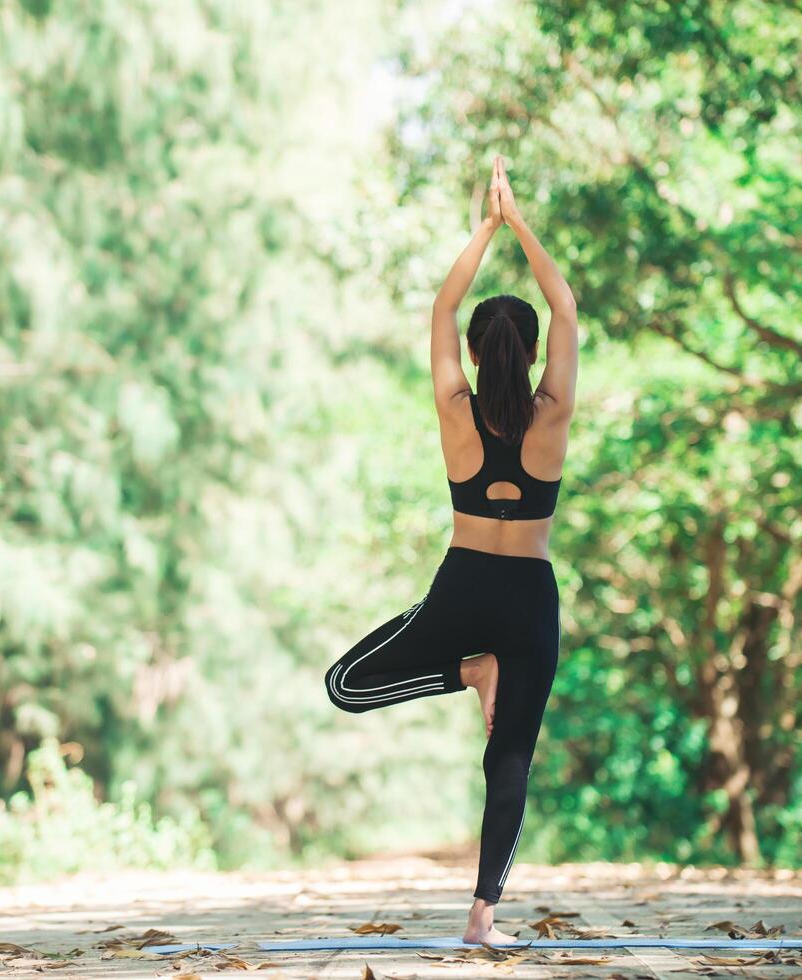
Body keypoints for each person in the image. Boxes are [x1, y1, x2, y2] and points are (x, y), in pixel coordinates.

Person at [324, 154, 578, 943]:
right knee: (509, 763)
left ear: (472, 354)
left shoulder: (453, 410)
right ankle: (482, 918)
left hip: (463, 586)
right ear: (531, 354)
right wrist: (520, 224)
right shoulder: (553, 414)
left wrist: (485, 225)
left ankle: (466, 670)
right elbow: (565, 308)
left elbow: (442, 305)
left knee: (344, 685)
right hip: (529, 597)